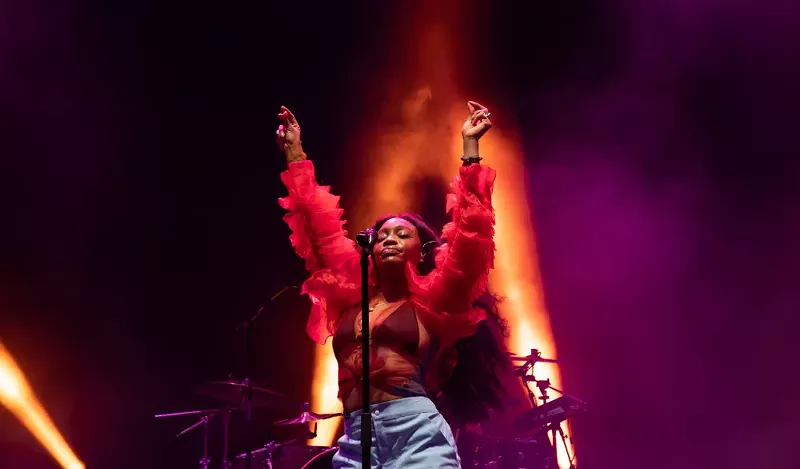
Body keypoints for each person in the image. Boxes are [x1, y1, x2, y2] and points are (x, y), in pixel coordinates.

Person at [275, 101, 509, 468]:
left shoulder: (432, 299)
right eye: (383, 234)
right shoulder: (349, 296)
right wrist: (294, 152)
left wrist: (470, 150)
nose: (390, 239)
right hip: (355, 438)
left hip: (415, 430)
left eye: (403, 234)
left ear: (421, 250)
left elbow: (470, 235)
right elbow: (317, 232)